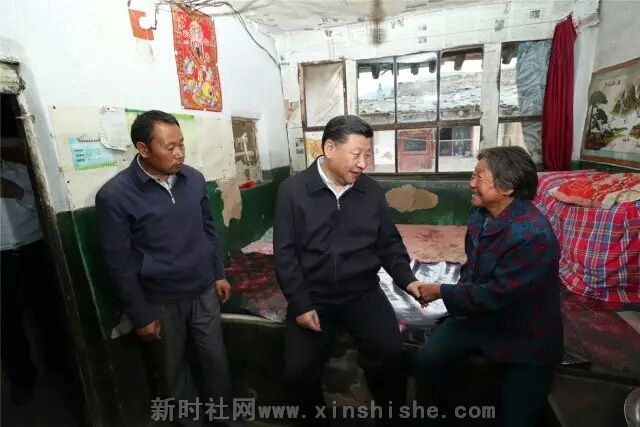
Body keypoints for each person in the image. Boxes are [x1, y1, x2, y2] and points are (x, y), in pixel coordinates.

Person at [274, 115, 424, 426]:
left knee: (391, 356)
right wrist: (300, 304)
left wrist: (409, 282)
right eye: (357, 154)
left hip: (362, 293)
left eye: (368, 154)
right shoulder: (293, 191)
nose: (363, 163)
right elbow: (285, 254)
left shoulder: (371, 191)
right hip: (314, 296)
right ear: (329, 148)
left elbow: (388, 244)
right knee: (297, 373)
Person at [96, 110, 236, 426]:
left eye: (181, 144)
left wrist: (218, 273)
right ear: (143, 149)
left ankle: (226, 419)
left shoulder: (194, 179)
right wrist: (141, 315)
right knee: (173, 371)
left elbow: (208, 230)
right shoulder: (115, 196)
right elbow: (119, 262)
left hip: (203, 290)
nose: (179, 153)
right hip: (160, 300)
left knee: (216, 361)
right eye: (170, 147)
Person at [411, 146, 563, 427]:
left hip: (523, 332)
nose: (471, 184)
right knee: (428, 359)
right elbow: (473, 269)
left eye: (479, 177)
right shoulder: (480, 213)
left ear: (507, 187)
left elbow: (496, 294)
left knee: (518, 417)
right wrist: (456, 301)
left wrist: (441, 291)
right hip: (478, 317)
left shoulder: (532, 235)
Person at [1, 145, 71, 406]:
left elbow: (44, 207)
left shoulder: (22, 173)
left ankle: (60, 368)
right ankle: (22, 380)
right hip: (1, 258)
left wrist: (17, 192)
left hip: (34, 248)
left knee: (48, 312)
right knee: (7, 323)